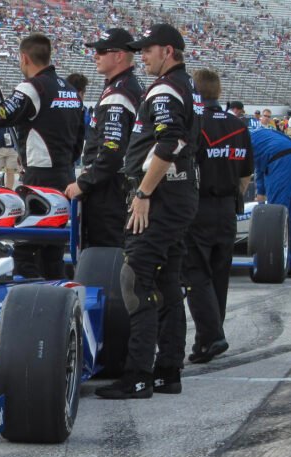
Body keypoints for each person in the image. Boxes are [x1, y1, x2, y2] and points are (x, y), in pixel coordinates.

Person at [95, 24, 202, 400]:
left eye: (148, 50)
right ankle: (167, 371)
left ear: (168, 51)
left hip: (160, 198)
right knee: (168, 283)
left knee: (136, 280)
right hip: (179, 195)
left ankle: (138, 375)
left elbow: (169, 141)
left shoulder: (166, 88)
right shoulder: (187, 85)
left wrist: (142, 193)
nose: (143, 56)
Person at [0, 34, 84, 279]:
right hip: (66, 176)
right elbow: (79, 136)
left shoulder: (32, 87)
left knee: (26, 250)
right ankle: (58, 305)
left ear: (24, 58)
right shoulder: (69, 89)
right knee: (53, 250)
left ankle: (29, 308)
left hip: (40, 179)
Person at [184, 69, 253, 365]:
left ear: (194, 93)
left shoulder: (194, 123)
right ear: (218, 92)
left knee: (195, 273)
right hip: (228, 208)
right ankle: (207, 340)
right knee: (218, 276)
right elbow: (246, 175)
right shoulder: (239, 124)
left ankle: (211, 336)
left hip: (198, 206)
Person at [64, 28, 142, 248]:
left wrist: (84, 183)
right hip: (118, 186)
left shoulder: (118, 94)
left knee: (104, 257)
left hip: (109, 191)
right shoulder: (127, 86)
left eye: (101, 51)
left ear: (119, 55)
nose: (95, 56)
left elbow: (111, 149)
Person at [248, 121, 291, 278]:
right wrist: (261, 191)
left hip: (281, 161)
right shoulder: (260, 134)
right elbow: (259, 165)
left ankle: (274, 262)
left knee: (276, 217)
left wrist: (259, 193)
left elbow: (246, 169)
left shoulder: (241, 139)